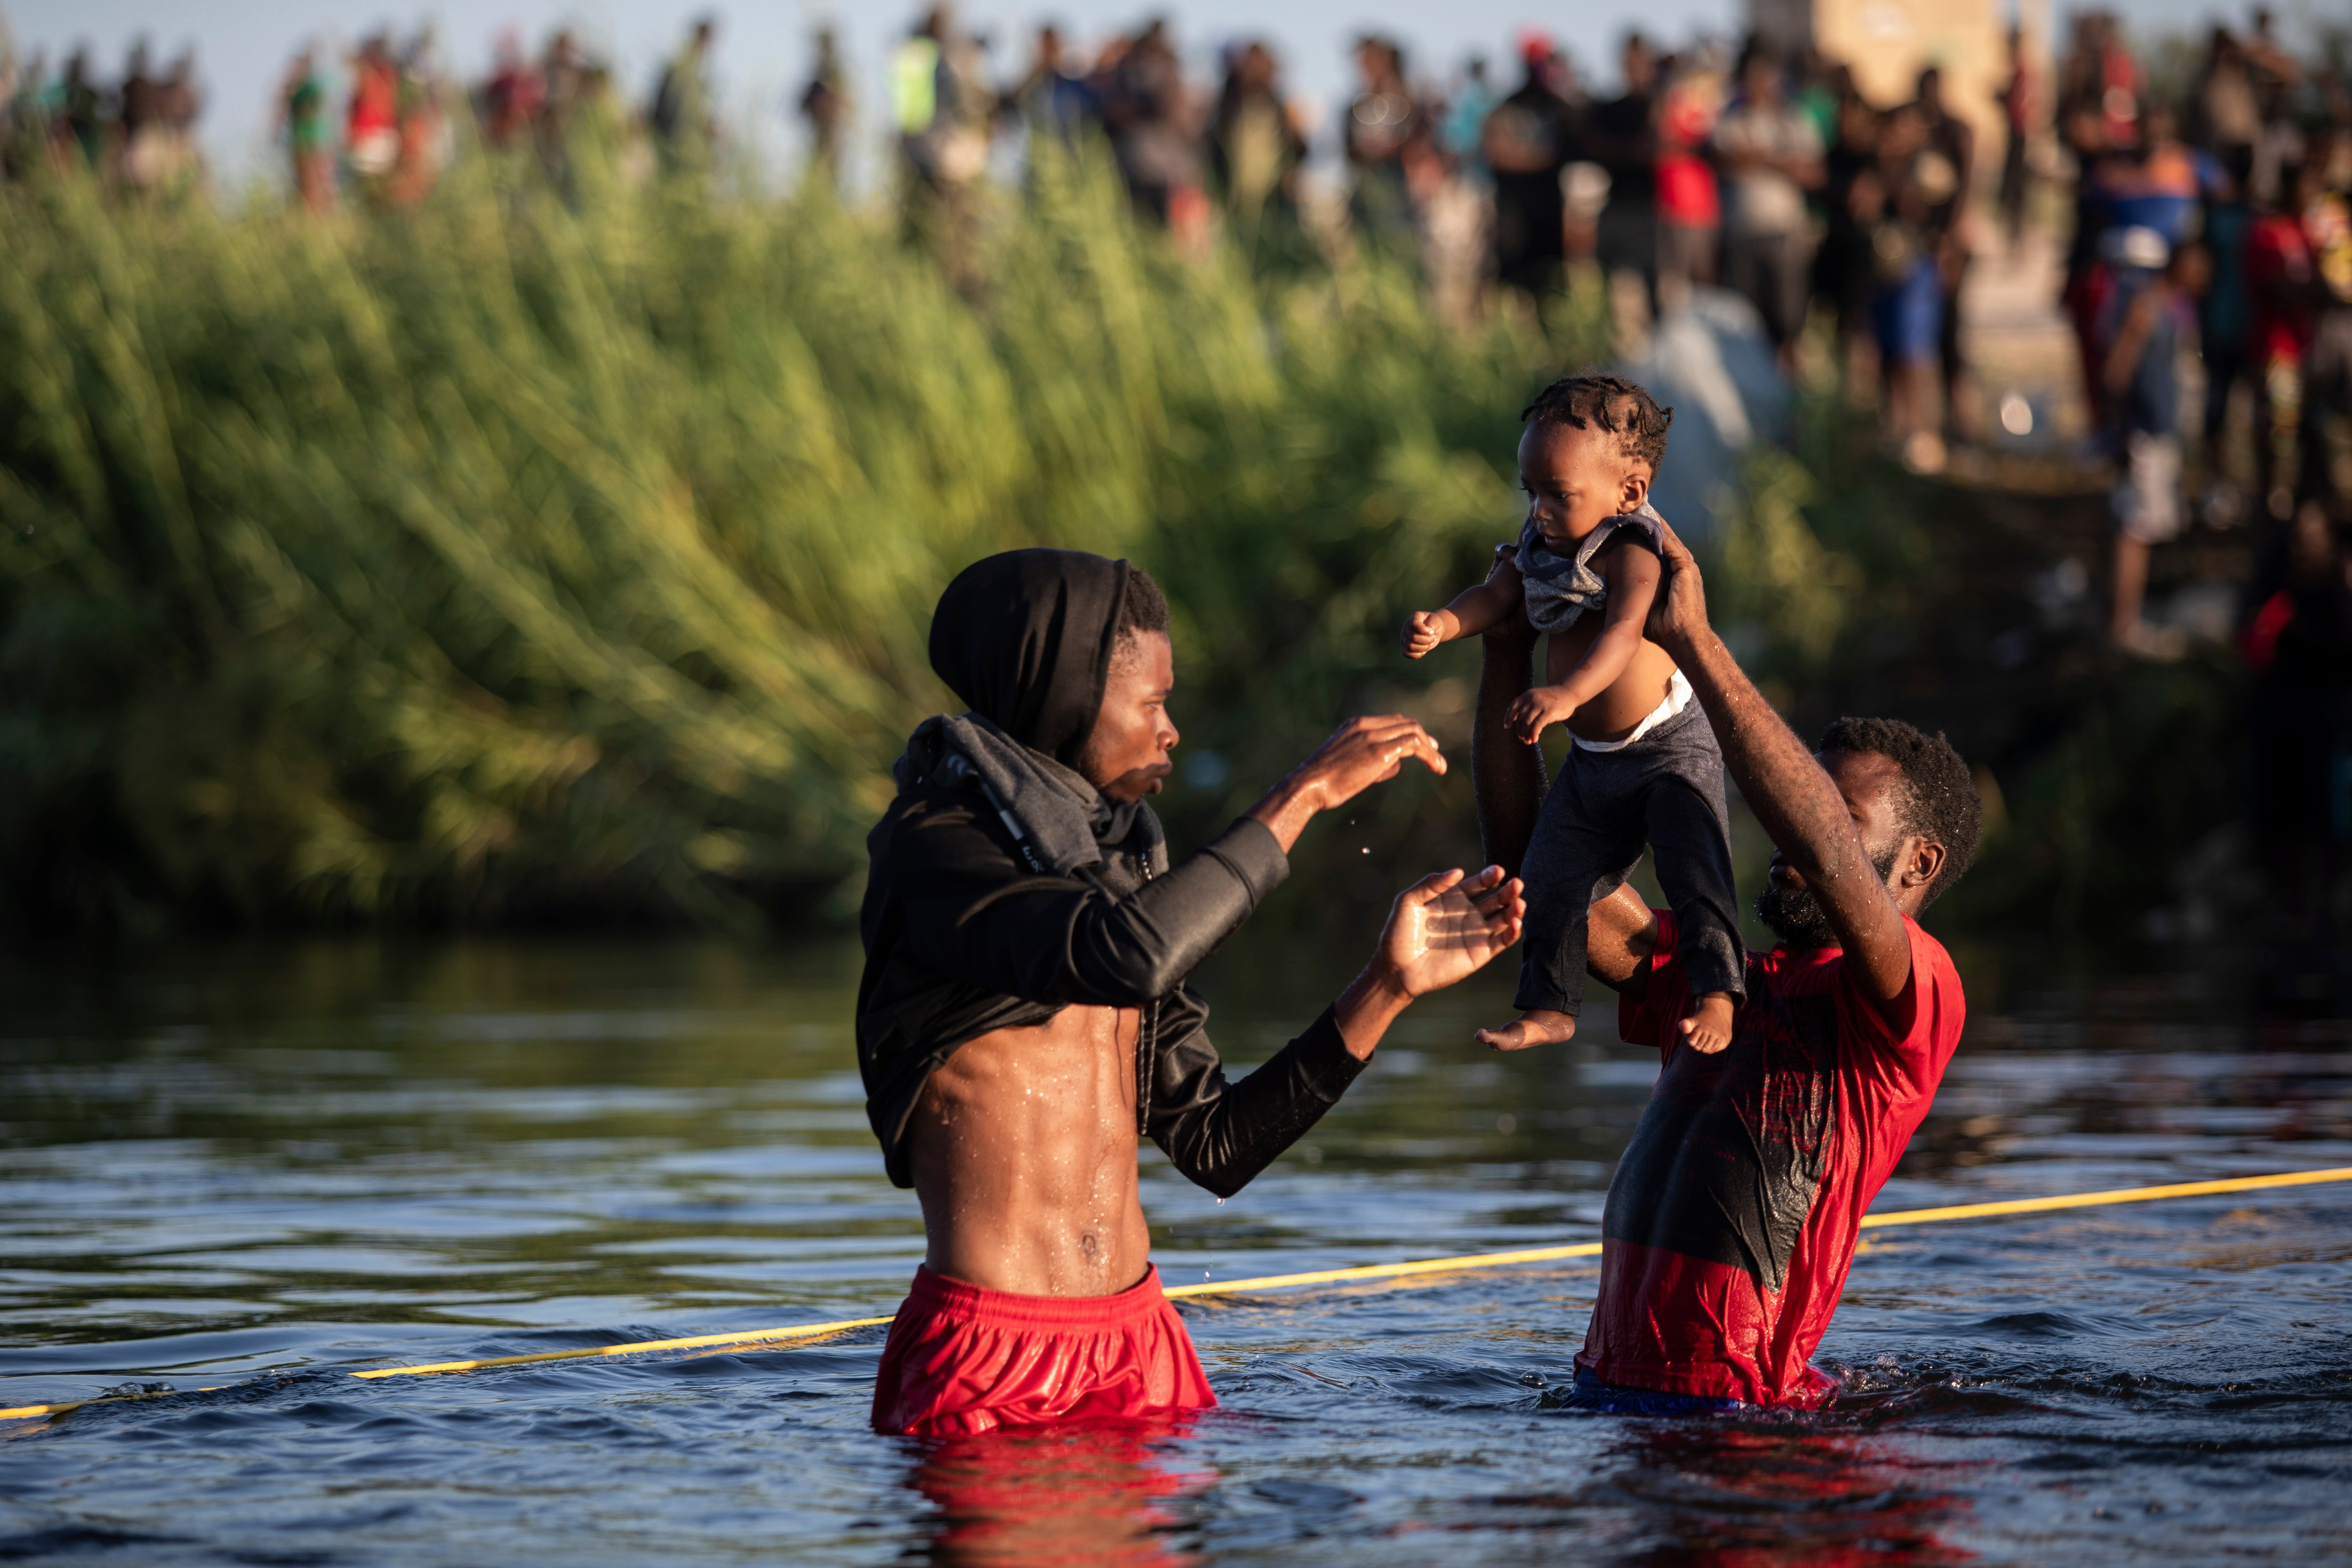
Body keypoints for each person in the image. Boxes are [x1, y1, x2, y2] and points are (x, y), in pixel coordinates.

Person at [857, 550, 1526, 1437]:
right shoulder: (936, 847)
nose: (1171, 730)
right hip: (995, 1356)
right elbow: (1123, 956)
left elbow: (1216, 1145)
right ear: (1063, 695)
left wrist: (1386, 986)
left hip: (1142, 1346)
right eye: (1151, 702)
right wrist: (1300, 796)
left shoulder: (1123, 863)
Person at [1471, 517, 1981, 1410]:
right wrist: (1507, 653)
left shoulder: (1913, 999)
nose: (1782, 842)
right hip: (1605, 1396)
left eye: (1828, 812)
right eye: (1792, 810)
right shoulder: (1719, 981)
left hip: (1742, 1421)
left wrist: (1694, 642)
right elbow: (1542, 872)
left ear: (1919, 863)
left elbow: (1824, 847)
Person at [1401, 374, 1742, 1055]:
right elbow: (1496, 596)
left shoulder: (1633, 551)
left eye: (1559, 495)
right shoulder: (1539, 546)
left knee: (1695, 869)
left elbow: (1622, 634)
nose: (1541, 512)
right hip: (1594, 765)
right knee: (1549, 877)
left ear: (1631, 491)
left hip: (1668, 749)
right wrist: (1444, 623)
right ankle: (1551, 1008)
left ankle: (1718, 995)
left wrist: (1567, 696)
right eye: (1531, 493)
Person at [2098, 229, 2206, 657]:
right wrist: (2123, 433)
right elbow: (2116, 374)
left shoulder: (2168, 308)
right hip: (2142, 435)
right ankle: (2124, 625)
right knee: (2135, 529)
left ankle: (2126, 617)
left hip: (2157, 433)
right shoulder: (2145, 308)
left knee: (2139, 523)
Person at [1712, 43, 1824, 361]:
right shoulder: (1733, 119)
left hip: (1783, 232)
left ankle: (1789, 399)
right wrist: (1779, 161)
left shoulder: (1794, 120)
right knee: (1747, 325)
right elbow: (1725, 161)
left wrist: (1762, 158)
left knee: (1788, 324)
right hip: (1743, 233)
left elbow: (1813, 171)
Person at [1482, 33, 1580, 302]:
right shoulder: (1508, 106)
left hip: (1547, 213)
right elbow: (1495, 150)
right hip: (1515, 212)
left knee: (1549, 285)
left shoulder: (1559, 109)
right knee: (1515, 285)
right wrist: (1533, 159)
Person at [1588, 34, 1661, 313]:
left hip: (1646, 210)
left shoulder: (1656, 105)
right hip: (1616, 207)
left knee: (1652, 291)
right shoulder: (1609, 109)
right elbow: (1596, 147)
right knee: (1604, 296)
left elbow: (1652, 150)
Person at [798, 27, 848, 190]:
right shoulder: (817, 77)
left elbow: (846, 103)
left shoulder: (835, 73)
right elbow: (802, 106)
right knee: (820, 175)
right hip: (820, 136)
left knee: (832, 176)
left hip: (833, 135)